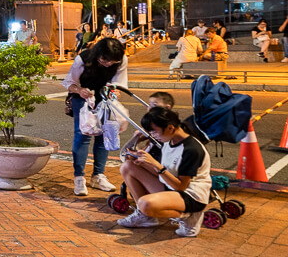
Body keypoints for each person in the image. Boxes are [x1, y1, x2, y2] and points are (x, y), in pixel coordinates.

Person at [116, 107, 211, 237]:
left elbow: (180, 186)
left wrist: (154, 164)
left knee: (145, 204)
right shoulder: (169, 140)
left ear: (170, 128)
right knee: (127, 166)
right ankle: (146, 217)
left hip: (191, 195)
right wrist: (142, 161)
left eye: (154, 132)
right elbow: (165, 172)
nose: (152, 135)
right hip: (171, 187)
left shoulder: (191, 149)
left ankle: (187, 216)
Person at [63, 37, 128, 196]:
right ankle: (79, 177)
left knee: (104, 135)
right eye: (105, 60)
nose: (108, 64)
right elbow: (70, 82)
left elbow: (118, 83)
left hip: (105, 99)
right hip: (82, 98)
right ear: (98, 54)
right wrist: (79, 91)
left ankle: (98, 176)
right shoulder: (83, 59)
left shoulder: (121, 60)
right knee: (82, 135)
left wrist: (115, 91)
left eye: (112, 62)